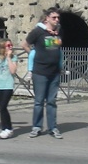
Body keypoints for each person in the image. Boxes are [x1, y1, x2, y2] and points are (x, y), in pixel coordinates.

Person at [26, 7, 63, 139]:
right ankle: (37, 127)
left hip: (54, 72)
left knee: (52, 101)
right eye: (54, 18)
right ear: (47, 18)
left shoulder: (58, 31)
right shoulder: (38, 32)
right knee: (39, 101)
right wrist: (33, 54)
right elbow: (25, 43)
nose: (57, 20)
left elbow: (54, 48)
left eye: (58, 18)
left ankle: (53, 127)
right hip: (40, 72)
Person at [0, 38, 19, 139]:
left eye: (11, 45)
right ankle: (6, 128)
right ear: (2, 47)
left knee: (3, 106)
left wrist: (8, 58)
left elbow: (13, 71)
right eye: (8, 45)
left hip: (8, 85)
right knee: (1, 108)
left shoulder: (14, 57)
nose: (11, 46)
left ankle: (8, 128)